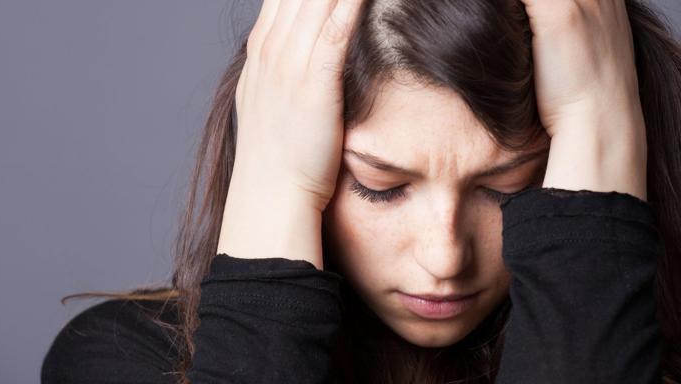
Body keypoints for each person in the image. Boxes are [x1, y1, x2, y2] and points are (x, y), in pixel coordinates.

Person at [41, 0, 681, 383]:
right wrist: (277, 186)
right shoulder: (121, 359)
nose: (445, 258)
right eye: (380, 187)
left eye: (506, 188)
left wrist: (597, 116)